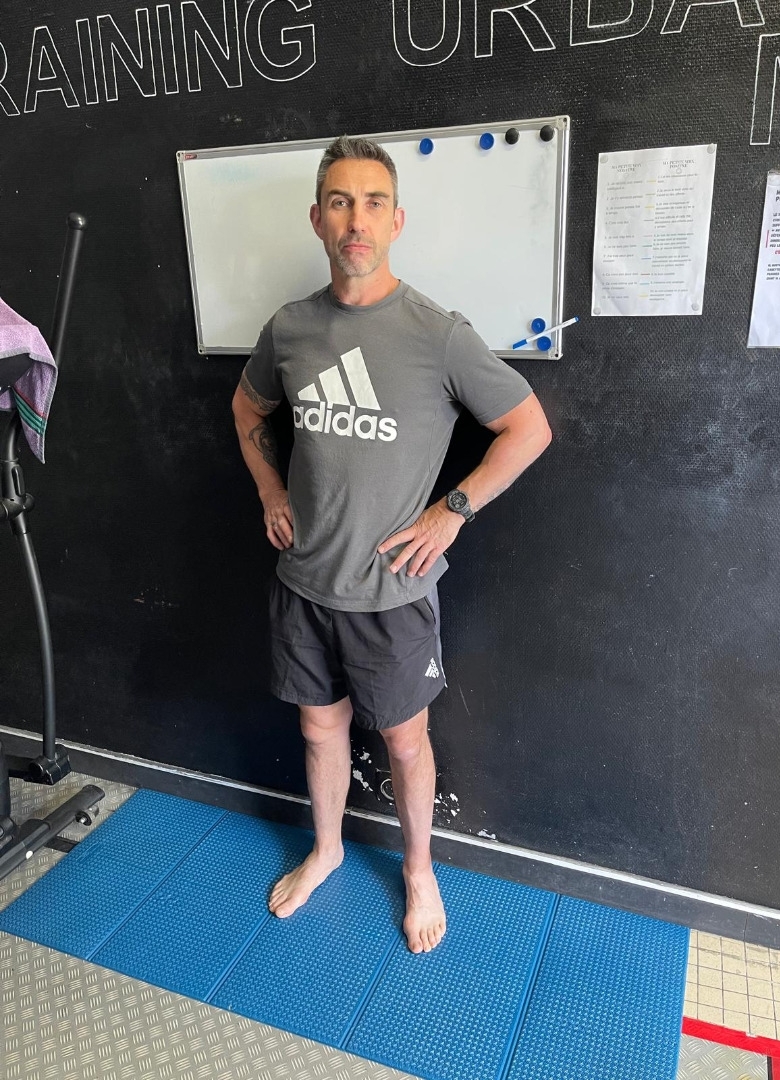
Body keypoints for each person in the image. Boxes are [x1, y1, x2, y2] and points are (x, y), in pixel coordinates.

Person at [232, 135, 552, 954]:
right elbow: (246, 409)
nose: (356, 220)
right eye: (340, 202)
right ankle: (328, 850)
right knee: (318, 732)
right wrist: (270, 491)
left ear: (396, 221)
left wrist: (452, 511)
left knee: (406, 742)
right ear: (317, 219)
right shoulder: (291, 328)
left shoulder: (436, 333)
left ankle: (417, 870)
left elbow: (528, 428)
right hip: (304, 583)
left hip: (393, 593)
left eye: (373, 203)